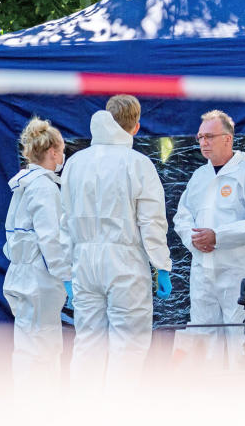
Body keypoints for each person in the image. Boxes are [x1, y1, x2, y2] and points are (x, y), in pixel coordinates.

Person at [62, 94, 171, 389]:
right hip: (125, 264)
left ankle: (84, 414)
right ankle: (118, 417)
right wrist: (162, 266)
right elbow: (152, 222)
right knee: (128, 347)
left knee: (87, 345)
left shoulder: (74, 163)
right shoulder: (138, 164)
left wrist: (65, 273)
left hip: (84, 265)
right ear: (136, 126)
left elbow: (64, 221)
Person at [173, 110, 245, 371]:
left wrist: (219, 237)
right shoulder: (199, 177)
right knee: (202, 339)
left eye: (209, 136)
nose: (203, 142)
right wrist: (194, 240)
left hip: (236, 274)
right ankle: (206, 398)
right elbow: (181, 217)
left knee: (239, 341)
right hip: (203, 271)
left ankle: (240, 397)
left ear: (227, 138)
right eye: (200, 137)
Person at [3, 118, 71, 388]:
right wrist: (65, 275)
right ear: (53, 151)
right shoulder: (43, 187)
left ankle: (28, 405)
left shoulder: (24, 184)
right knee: (43, 347)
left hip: (22, 274)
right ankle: (40, 408)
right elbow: (50, 238)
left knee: (27, 344)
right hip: (39, 279)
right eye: (62, 150)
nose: (63, 156)